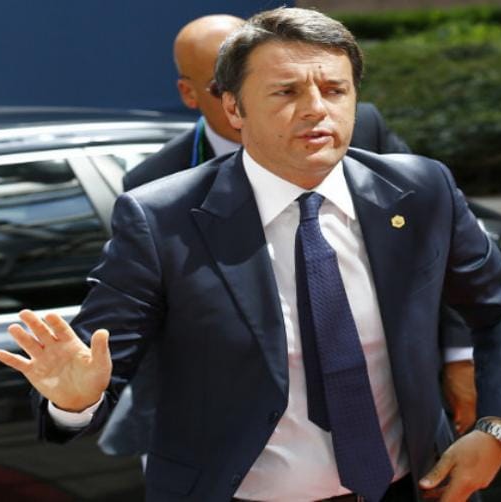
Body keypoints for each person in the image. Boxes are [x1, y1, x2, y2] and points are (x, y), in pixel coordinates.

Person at [0, 7, 501, 502]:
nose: (316, 109)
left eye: (334, 89)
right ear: (233, 107)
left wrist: (498, 430)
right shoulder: (161, 218)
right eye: (286, 92)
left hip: (413, 486)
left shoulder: (419, 189)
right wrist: (75, 402)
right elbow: (99, 365)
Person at [104, 14, 476, 459]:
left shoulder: (363, 133)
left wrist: (459, 354)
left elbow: (436, 247)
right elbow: (145, 320)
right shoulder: (157, 185)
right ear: (208, 97)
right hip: (244, 437)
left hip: (395, 424)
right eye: (282, 91)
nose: (313, 109)